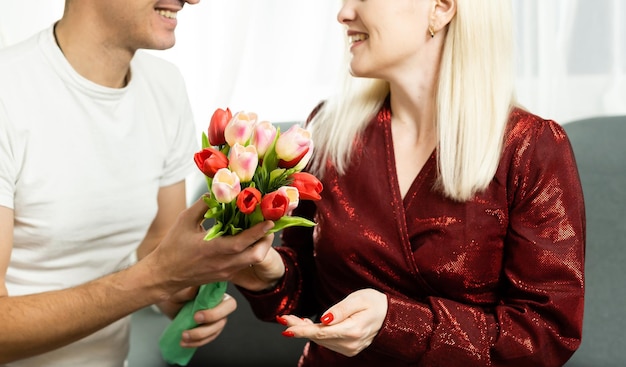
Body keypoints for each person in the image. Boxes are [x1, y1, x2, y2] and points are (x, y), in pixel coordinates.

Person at [230, 0, 586, 366]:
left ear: (441, 7)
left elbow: (546, 334)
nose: (343, 13)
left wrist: (396, 322)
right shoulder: (328, 129)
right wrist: (270, 274)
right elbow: (310, 291)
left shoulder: (529, 146)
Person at [0, 0, 276, 366]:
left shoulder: (164, 85)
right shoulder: (9, 91)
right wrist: (157, 279)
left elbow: (155, 246)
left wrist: (189, 284)